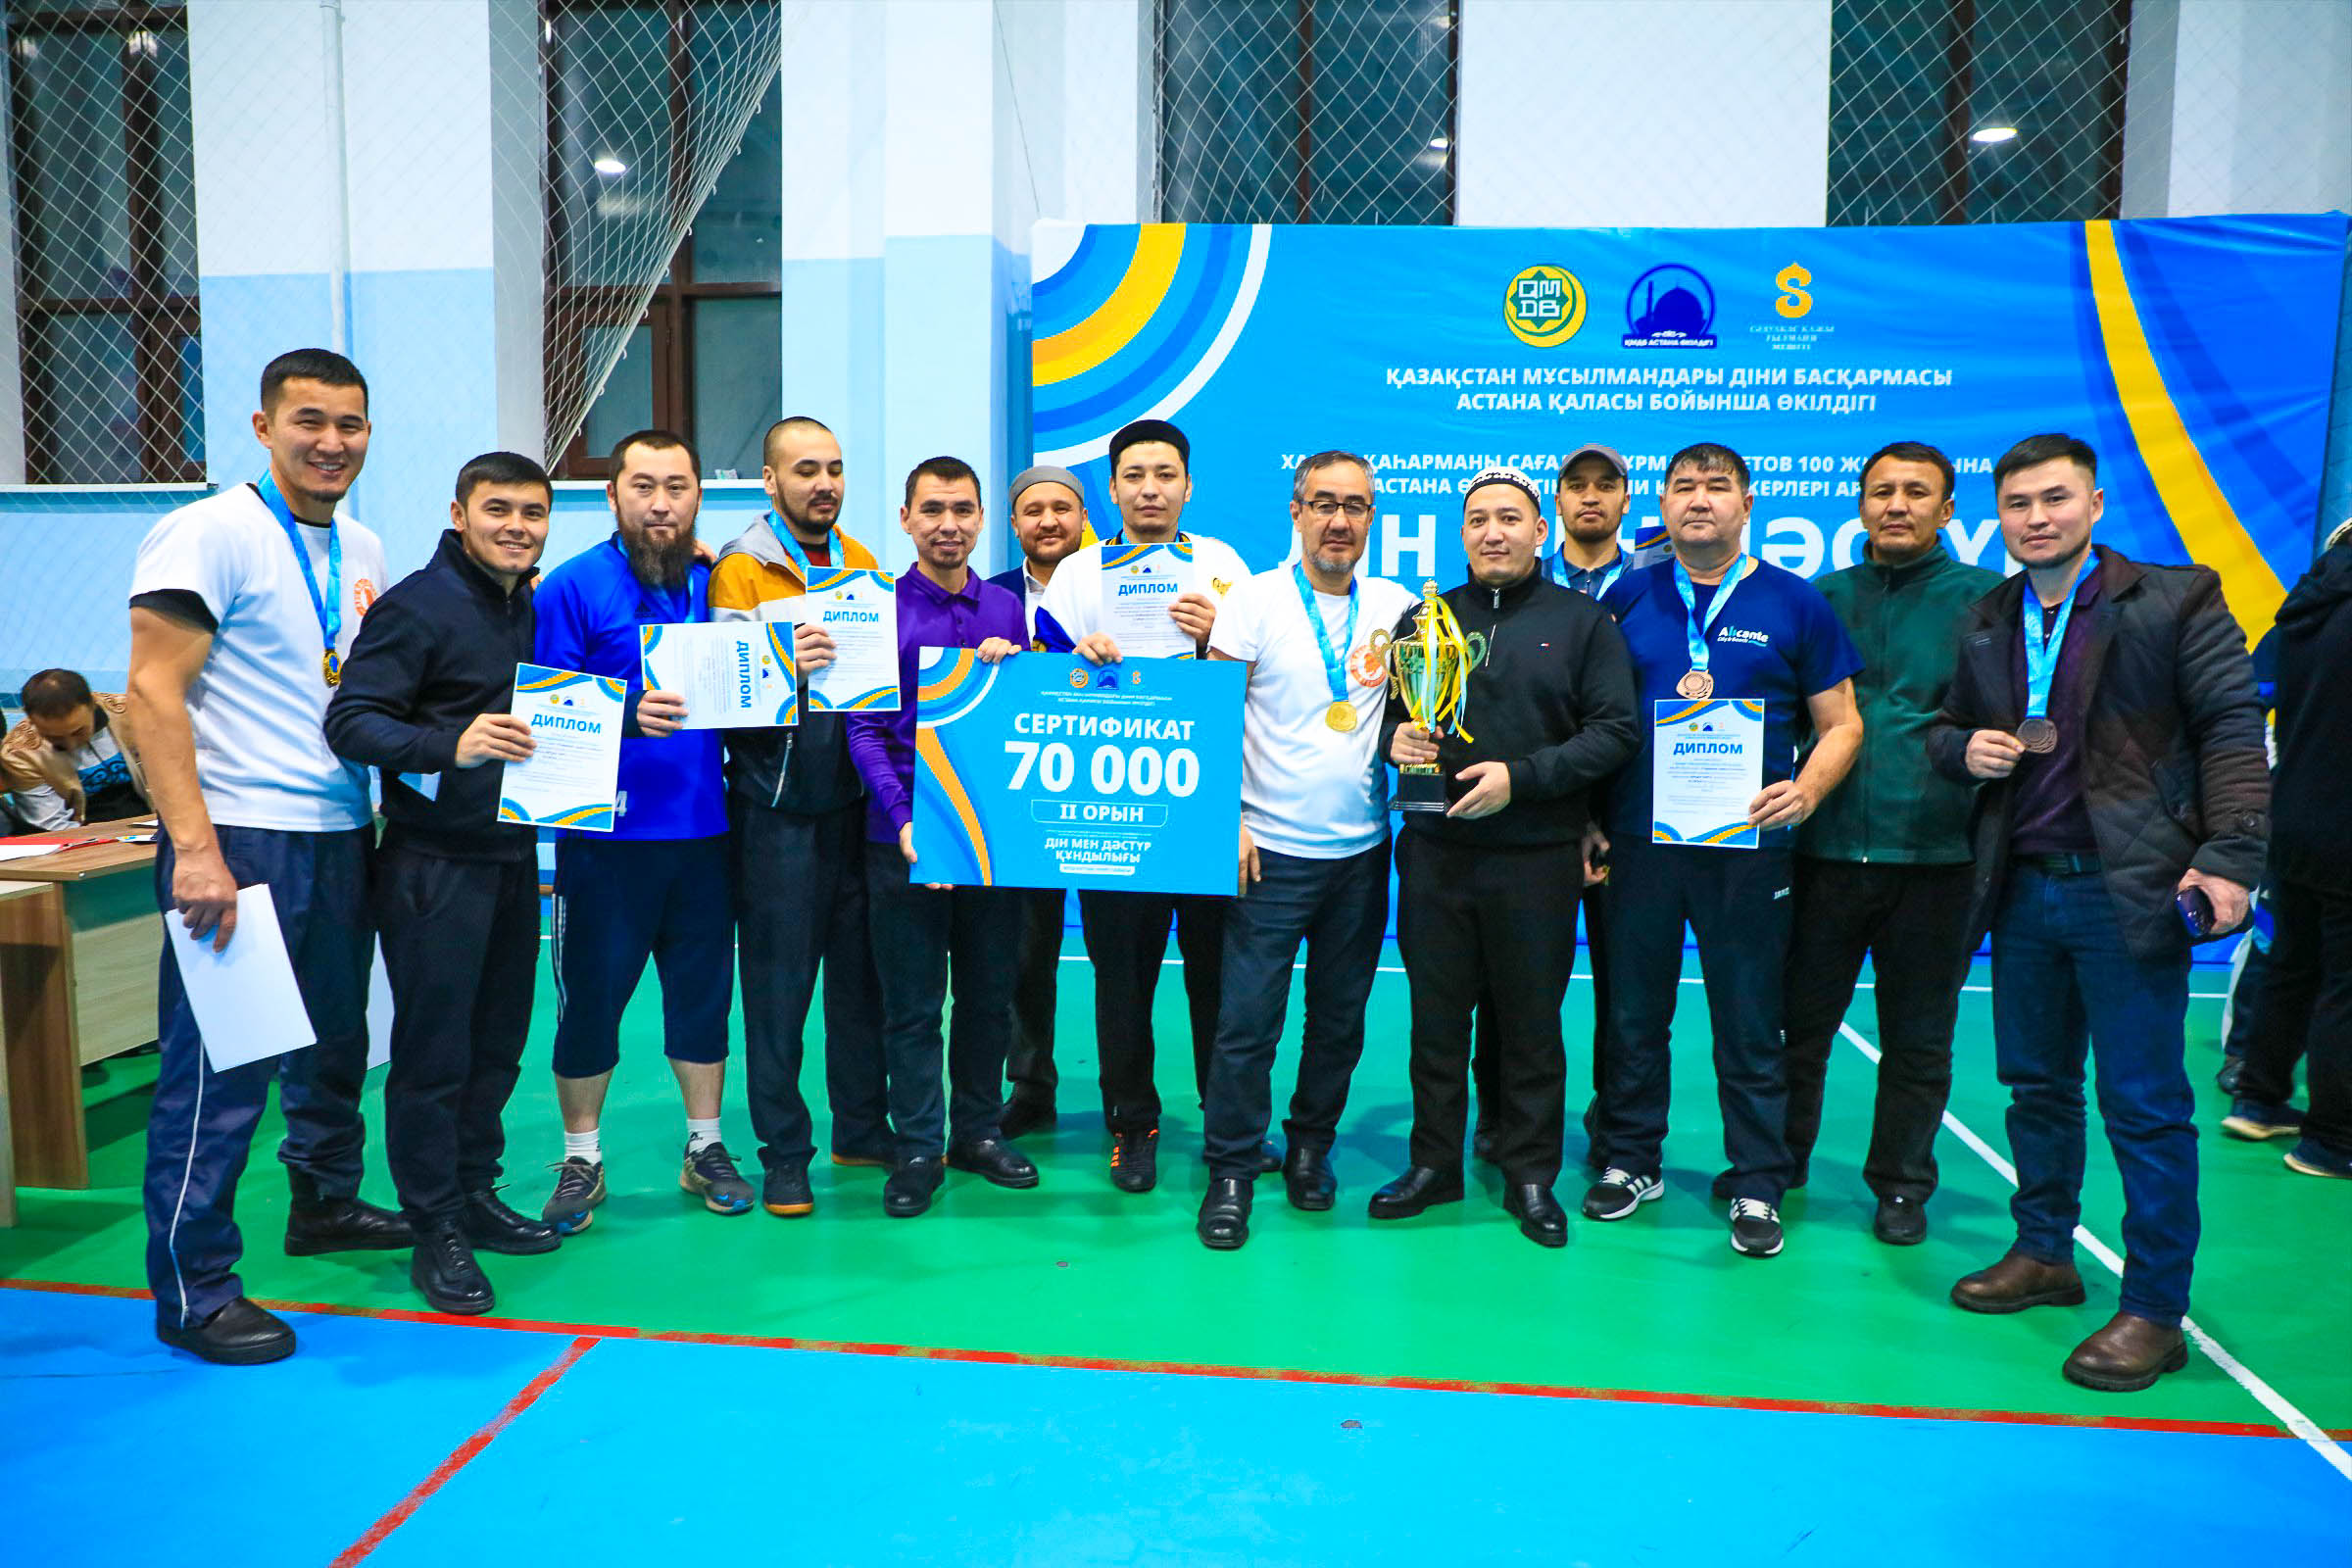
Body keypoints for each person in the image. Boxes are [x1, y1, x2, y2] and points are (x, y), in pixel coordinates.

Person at [1928, 432, 2267, 1393]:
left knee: (2145, 1105)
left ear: (2096, 504)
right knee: (2035, 1086)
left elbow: (2232, 728)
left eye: (2055, 498)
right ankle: (2044, 1252)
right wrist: (1965, 752)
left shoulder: (2175, 598)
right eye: (2018, 503)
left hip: (2133, 890)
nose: (2036, 517)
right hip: (2022, 885)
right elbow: (1943, 728)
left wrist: (2231, 856)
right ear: (1997, 516)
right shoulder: (1988, 616)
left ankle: (2155, 1310)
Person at [126, 347, 406, 1364]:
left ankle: (324, 1200)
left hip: (340, 831)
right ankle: (195, 1289)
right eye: (309, 421)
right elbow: (150, 692)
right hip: (240, 839)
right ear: (262, 427)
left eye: (350, 424)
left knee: (335, 1044)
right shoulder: (210, 531)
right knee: (224, 1069)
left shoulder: (363, 545)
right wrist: (195, 850)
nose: (331, 442)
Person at [1589, 442, 1863, 1260]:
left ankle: (1756, 1180)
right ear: (1662, 506)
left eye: (1717, 487)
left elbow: (1843, 723)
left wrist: (1806, 792)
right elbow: (1597, 722)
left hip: (1747, 850)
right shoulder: (1628, 596)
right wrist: (1591, 818)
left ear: (1747, 502)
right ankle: (1632, 1160)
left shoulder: (1795, 601)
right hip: (1642, 843)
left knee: (1748, 1021)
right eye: (1683, 487)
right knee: (1634, 1015)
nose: (1699, 499)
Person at [1371, 466, 1638, 1248]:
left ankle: (1530, 1175)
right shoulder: (1426, 619)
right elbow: (1391, 717)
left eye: (1510, 519)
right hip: (1435, 854)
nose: (1494, 532)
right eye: (1479, 519)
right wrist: (1395, 739)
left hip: (1536, 859)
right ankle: (1433, 1165)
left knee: (1530, 1027)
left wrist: (1521, 779)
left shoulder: (1583, 623)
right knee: (1435, 1023)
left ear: (1539, 531)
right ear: (1462, 534)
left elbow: (1615, 732)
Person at [323, 451, 563, 1314]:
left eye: (532, 513)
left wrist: (632, 725)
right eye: (498, 509)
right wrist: (446, 746)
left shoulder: (523, 603)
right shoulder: (417, 606)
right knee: (433, 1058)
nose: (516, 527)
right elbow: (351, 721)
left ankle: (472, 1191)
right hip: (433, 867)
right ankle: (434, 1227)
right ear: (459, 514)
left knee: (496, 1044)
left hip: (510, 859)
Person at [1776, 441, 2000, 1245]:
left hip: (1938, 858)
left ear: (1948, 509)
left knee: (1919, 1039)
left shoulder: (1989, 602)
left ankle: (1902, 1185)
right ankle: (1778, 1163)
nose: (1896, 505)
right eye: (1881, 491)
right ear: (1861, 504)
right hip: (1823, 852)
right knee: (1797, 1029)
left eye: (1915, 492)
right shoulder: (1819, 598)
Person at [1195, 452, 1417, 1250]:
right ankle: (1230, 1170)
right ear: (1296, 512)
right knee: (1246, 1023)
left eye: (1355, 506)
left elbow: (1408, 717)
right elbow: (1214, 718)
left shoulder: (1397, 607)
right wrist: (1227, 820)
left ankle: (1310, 1148)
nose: (1339, 520)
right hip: (1269, 852)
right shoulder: (1252, 602)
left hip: (1362, 854)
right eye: (1324, 503)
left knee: (1338, 1020)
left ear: (1371, 518)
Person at [534, 429, 750, 1231]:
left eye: (677, 487)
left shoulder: (719, 582)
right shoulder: (571, 587)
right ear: (612, 495)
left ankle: (706, 1147)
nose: (661, 503)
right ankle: (582, 1158)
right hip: (604, 844)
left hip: (704, 837)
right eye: (644, 486)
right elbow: (543, 710)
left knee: (702, 1001)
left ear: (699, 496)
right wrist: (625, 713)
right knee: (590, 1005)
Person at [1035, 418, 1253, 1192]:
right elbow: (1044, 687)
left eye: (1165, 475)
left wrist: (1215, 636)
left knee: (1217, 976)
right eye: (1134, 475)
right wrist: (1076, 659)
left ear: (1188, 486)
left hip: (1203, 807)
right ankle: (1132, 1124)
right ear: (1113, 488)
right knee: (1121, 978)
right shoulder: (1077, 574)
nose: (1150, 489)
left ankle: (1228, 1119)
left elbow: (1253, 679)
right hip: (1115, 813)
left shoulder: (1224, 567)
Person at [846, 457, 1038, 1217]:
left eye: (962, 510)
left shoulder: (1008, 608)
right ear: (906, 519)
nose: (948, 525)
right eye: (932, 510)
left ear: (982, 519)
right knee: (914, 1006)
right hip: (903, 840)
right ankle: (921, 1145)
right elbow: (864, 728)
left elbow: (1030, 714)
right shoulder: (878, 609)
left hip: (990, 843)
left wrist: (1020, 669)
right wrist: (903, 820)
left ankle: (979, 1133)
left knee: (989, 997)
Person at [709, 416, 889, 1216]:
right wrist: (787, 655)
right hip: (775, 809)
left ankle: (862, 1126)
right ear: (771, 479)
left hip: (854, 804)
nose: (824, 484)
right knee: (779, 993)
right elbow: (722, 686)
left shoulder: (863, 564)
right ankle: (785, 1153)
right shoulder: (741, 568)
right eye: (806, 469)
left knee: (860, 983)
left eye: (835, 469)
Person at [1519, 442, 1668, 1173]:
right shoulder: (1524, 582)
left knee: (1625, 991)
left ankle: (1617, 1125)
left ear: (1624, 499)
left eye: (1605, 485)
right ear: (1556, 503)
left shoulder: (1660, 586)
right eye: (1575, 485)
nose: (1590, 496)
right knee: (1520, 983)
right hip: (1541, 813)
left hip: (1632, 817)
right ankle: (1510, 1123)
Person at [2223, 518, 2351, 1179]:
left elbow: (2248, 699)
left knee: (2289, 964)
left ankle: (2259, 1097)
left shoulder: (2304, 609)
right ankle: (2334, 1138)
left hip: (2294, 813)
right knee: (2344, 985)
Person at [988, 465, 1090, 1140]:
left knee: (1125, 957)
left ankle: (1131, 1099)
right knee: (1024, 952)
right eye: (1033, 510)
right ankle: (1030, 1086)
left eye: (1061, 507)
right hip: (1025, 797)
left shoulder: (1119, 588)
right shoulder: (989, 596)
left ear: (1083, 517)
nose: (1048, 520)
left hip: (1115, 795)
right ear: (1014, 522)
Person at [2, 668, 148, 828]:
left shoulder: (132, 713)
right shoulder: (20, 755)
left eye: (78, 731)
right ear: (31, 719)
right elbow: (53, 825)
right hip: (83, 832)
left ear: (93, 704)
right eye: (54, 737)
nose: (70, 745)